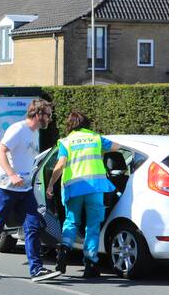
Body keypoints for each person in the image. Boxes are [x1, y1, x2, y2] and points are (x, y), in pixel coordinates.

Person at [0, 98, 60, 282]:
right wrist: (12, 175)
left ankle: (36, 269)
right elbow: (0, 151)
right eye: (48, 115)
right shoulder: (18, 129)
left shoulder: (34, 133)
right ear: (38, 114)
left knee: (33, 225)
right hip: (4, 187)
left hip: (25, 190)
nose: (50, 118)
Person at [46, 111, 118, 278]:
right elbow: (117, 147)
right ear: (87, 124)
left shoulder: (66, 141)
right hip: (95, 188)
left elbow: (60, 164)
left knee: (71, 221)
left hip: (74, 188)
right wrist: (102, 151)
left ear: (70, 125)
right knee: (93, 226)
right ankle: (91, 263)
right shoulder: (96, 139)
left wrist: (50, 185)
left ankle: (63, 251)